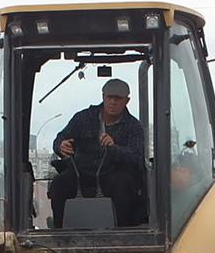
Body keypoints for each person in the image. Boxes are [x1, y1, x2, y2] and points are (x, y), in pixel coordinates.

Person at [49, 78, 147, 227]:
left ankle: (122, 232)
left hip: (114, 174)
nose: (113, 102)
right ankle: (60, 232)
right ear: (103, 97)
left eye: (118, 98)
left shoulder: (133, 127)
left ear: (127, 101)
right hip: (81, 173)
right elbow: (60, 139)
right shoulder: (83, 118)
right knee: (59, 184)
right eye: (110, 97)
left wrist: (114, 148)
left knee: (124, 185)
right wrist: (61, 146)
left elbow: (137, 158)